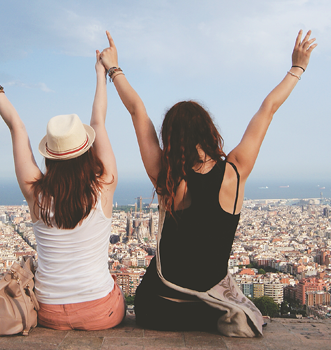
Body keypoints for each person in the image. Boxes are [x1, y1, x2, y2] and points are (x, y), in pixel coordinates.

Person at [99, 30, 317, 332]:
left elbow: (138, 111)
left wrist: (114, 68)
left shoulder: (167, 177)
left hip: (157, 307)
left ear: (171, 140)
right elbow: (267, 110)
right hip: (206, 307)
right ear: (208, 130)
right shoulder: (236, 171)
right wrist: (297, 68)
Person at [0, 45, 124, 331]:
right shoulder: (105, 185)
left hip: (50, 313)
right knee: (116, 292)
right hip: (100, 313)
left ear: (50, 158)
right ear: (87, 151)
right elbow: (98, 121)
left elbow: (17, 127)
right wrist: (101, 73)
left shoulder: (36, 194)